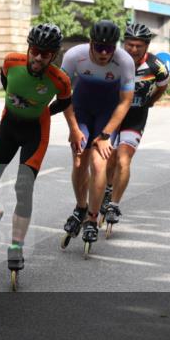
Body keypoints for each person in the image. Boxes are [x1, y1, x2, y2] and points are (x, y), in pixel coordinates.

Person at [0, 23, 84, 290]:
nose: (38, 58)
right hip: (9, 127)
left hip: (36, 131)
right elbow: (5, 79)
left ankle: (16, 246)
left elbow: (66, 101)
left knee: (24, 188)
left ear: (53, 56)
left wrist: (53, 116)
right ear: (28, 48)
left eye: (45, 54)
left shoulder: (60, 80)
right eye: (34, 51)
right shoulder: (11, 62)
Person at [57, 20, 135, 252]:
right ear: (90, 43)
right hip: (80, 110)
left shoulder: (124, 61)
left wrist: (105, 134)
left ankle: (92, 218)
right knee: (80, 159)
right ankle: (81, 207)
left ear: (115, 47)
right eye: (99, 47)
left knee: (99, 164)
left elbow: (125, 101)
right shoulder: (74, 56)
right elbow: (63, 94)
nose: (103, 53)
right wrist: (73, 128)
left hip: (106, 114)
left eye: (109, 48)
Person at [102, 23, 170, 227]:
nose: (133, 49)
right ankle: (106, 188)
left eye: (138, 46)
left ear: (147, 46)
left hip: (135, 117)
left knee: (123, 159)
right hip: (112, 116)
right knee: (108, 158)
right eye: (130, 45)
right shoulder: (113, 60)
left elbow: (162, 86)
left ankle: (114, 204)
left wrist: (151, 101)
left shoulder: (157, 66)